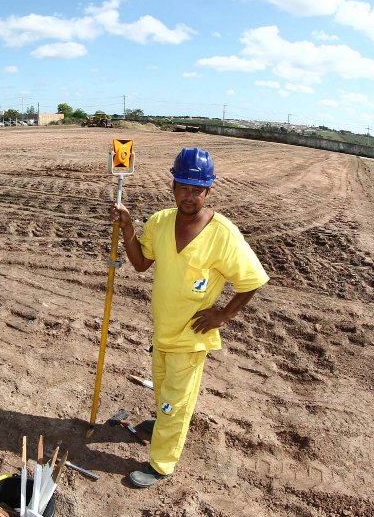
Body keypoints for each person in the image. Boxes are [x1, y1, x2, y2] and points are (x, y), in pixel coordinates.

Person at [110, 147, 269, 488]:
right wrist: (127, 229)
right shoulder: (160, 221)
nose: (189, 195)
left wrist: (223, 315)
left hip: (191, 336)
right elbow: (140, 264)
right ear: (173, 185)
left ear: (208, 191)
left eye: (197, 189)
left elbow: (252, 280)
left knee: (175, 403)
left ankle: (162, 464)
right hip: (162, 331)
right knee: (165, 393)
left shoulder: (223, 233)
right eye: (184, 186)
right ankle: (163, 424)